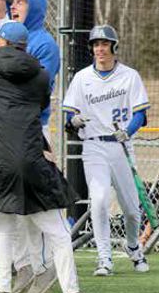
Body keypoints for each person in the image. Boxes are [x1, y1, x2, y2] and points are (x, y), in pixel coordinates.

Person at [0, 22, 91, 293]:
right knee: (57, 231)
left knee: (0, 232)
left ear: (0, 42)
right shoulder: (40, 75)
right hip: (32, 160)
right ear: (24, 46)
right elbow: (39, 106)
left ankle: (2, 292)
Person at [63, 24, 150, 276]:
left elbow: (140, 113)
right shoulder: (82, 78)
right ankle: (104, 259)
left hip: (122, 147)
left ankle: (133, 247)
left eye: (104, 44)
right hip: (94, 147)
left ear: (114, 46)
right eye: (95, 44)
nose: (100, 49)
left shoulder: (129, 75)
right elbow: (70, 111)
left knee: (132, 211)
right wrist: (73, 121)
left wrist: (129, 131)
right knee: (99, 201)